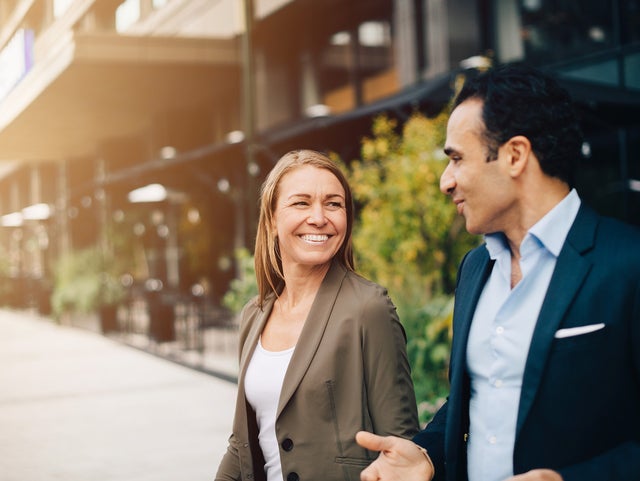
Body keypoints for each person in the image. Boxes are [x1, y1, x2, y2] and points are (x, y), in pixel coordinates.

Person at [356, 64, 640, 481]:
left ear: (514, 155)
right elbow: (477, 396)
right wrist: (428, 454)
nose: (444, 181)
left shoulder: (628, 264)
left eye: (456, 159)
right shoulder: (475, 268)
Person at [215, 149, 419, 481]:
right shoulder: (254, 315)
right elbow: (242, 447)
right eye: (301, 203)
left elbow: (400, 448)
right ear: (271, 220)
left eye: (334, 204)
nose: (319, 217)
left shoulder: (369, 308)